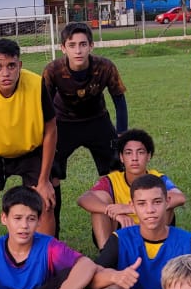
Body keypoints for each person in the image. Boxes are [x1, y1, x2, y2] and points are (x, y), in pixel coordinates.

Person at [0, 38, 58, 244]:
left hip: (30, 151)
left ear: (20, 66)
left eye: (11, 66)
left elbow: (51, 130)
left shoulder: (36, 84)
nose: (5, 73)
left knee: (46, 202)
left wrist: (43, 181)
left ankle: (44, 262)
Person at [41, 22, 128, 235]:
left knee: (117, 171)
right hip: (63, 123)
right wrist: (45, 135)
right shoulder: (53, 70)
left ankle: (118, 230)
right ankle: (53, 234)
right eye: (72, 45)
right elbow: (45, 107)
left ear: (91, 45)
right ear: (63, 48)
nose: (78, 50)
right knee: (51, 174)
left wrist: (121, 133)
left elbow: (119, 100)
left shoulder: (105, 67)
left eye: (82, 44)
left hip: (97, 121)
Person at [78, 129, 187, 249]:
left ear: (148, 156)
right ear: (121, 157)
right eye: (128, 153)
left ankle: (158, 249)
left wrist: (129, 208)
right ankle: (107, 257)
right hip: (121, 229)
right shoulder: (112, 180)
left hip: (151, 227)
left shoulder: (158, 178)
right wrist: (115, 213)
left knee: (167, 203)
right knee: (99, 208)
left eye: (140, 152)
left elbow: (180, 198)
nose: (134, 158)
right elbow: (84, 199)